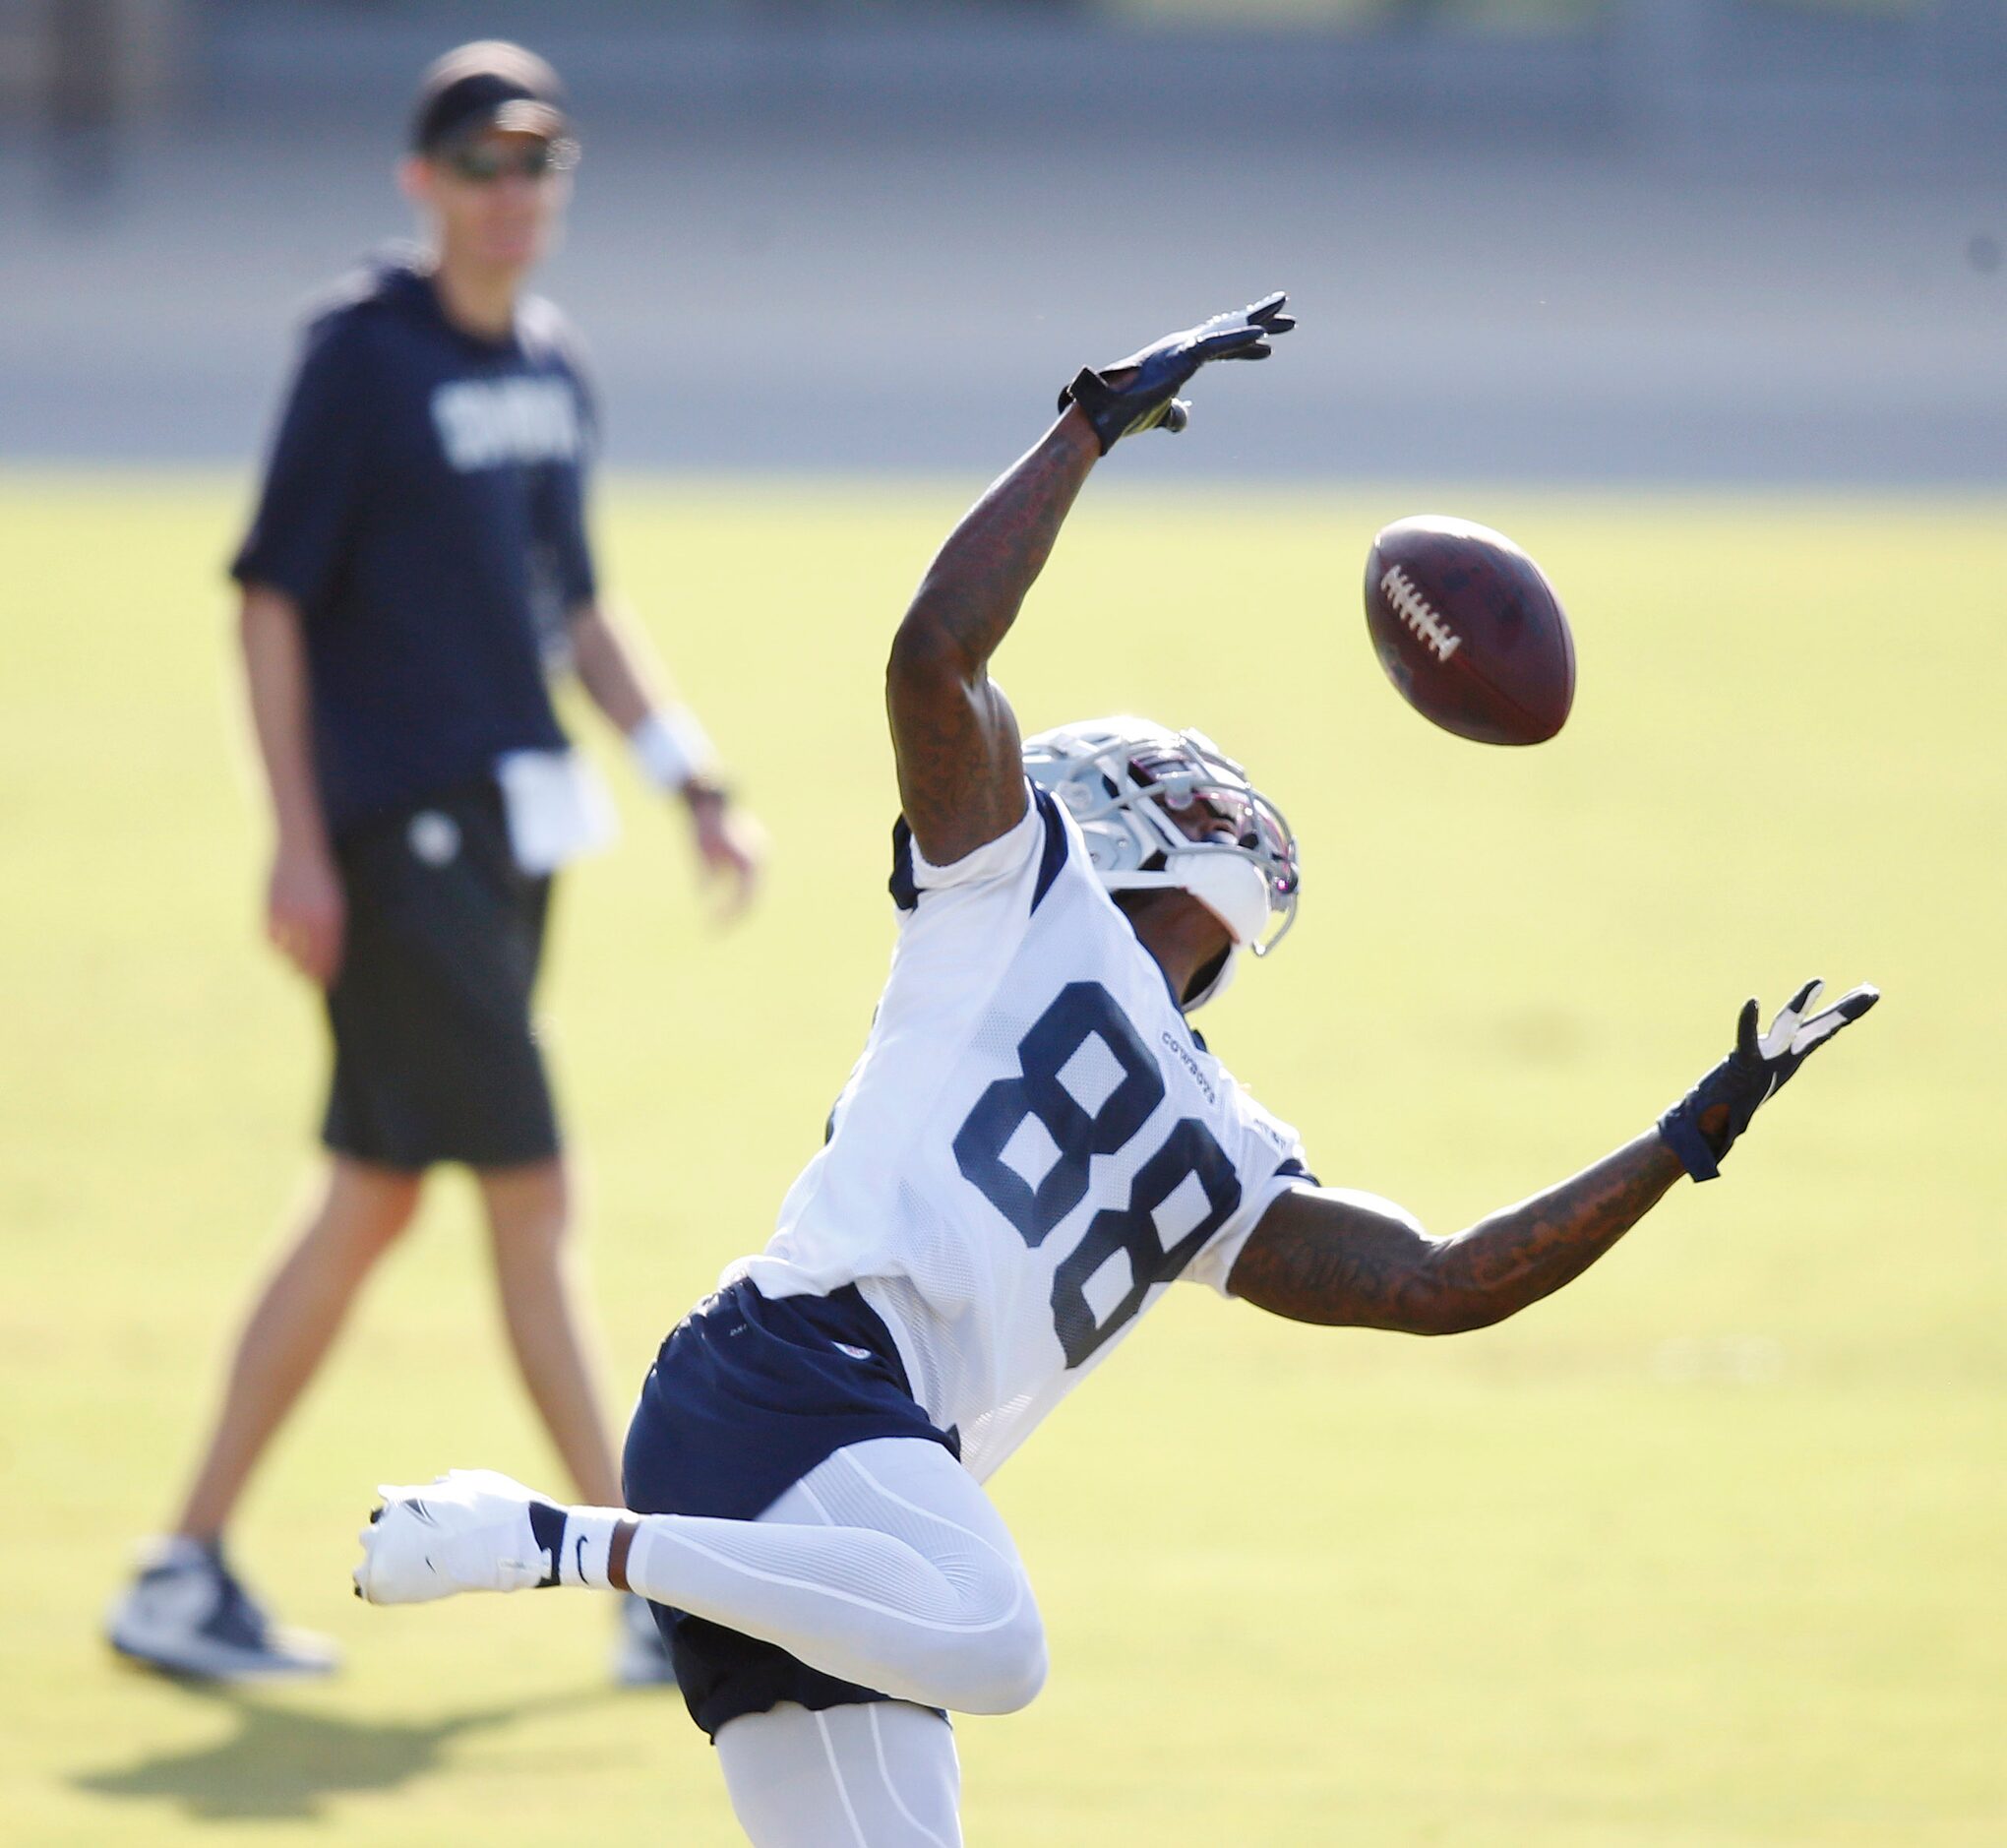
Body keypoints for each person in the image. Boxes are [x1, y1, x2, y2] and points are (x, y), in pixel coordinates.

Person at [351, 295, 1877, 1842]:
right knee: (1002, 1641)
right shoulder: (1011, 896)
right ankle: (555, 1541)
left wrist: (1687, 1133)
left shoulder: (1221, 1140)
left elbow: (1441, 1280)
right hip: (799, 1392)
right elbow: (935, 657)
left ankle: (585, 1543)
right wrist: (1087, 427)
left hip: (857, 1523)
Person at [106, 40, 761, 1686]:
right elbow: (269, 596)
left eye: (539, 164)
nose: (512, 192)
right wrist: (298, 842)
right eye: (481, 162)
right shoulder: (362, 358)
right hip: (398, 842)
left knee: (372, 1201)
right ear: (424, 182)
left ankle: (180, 1567)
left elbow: (579, 606)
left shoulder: (552, 368)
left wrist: (691, 771)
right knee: (532, 1194)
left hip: (510, 840)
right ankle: (644, 1580)